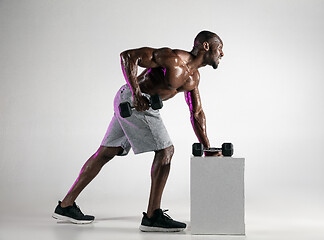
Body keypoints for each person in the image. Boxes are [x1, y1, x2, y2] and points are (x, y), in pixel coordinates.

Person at [52, 30, 224, 232]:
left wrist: (207, 147)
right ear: (206, 46)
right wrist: (135, 93)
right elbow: (128, 56)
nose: (222, 54)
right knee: (166, 151)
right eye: (220, 48)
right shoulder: (172, 58)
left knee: (106, 153)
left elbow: (197, 113)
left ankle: (65, 206)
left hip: (133, 103)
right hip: (135, 103)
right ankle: (152, 216)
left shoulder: (194, 78)